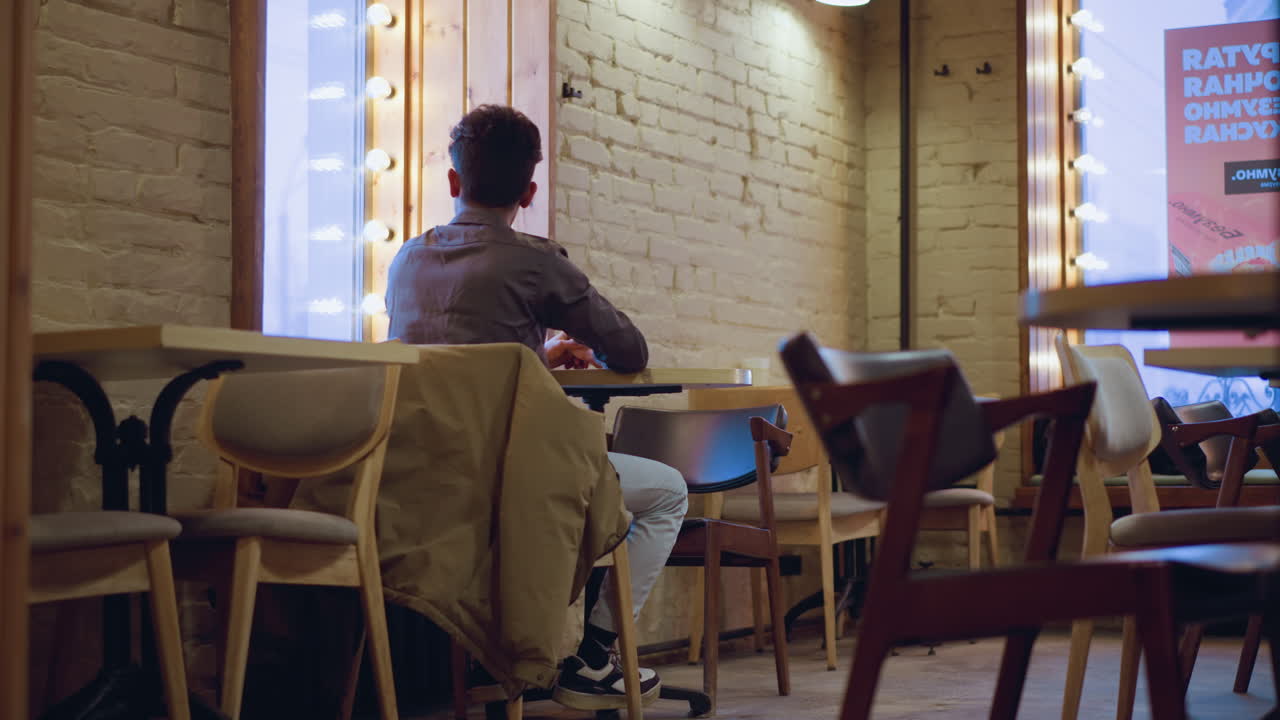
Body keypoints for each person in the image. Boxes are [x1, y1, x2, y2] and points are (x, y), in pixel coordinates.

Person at [385, 104, 687, 710]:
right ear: (529, 190)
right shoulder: (535, 260)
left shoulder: (405, 262)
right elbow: (628, 348)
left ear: (452, 181)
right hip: (511, 476)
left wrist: (533, 355)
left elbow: (456, 371)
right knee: (668, 491)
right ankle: (596, 660)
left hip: (421, 480)